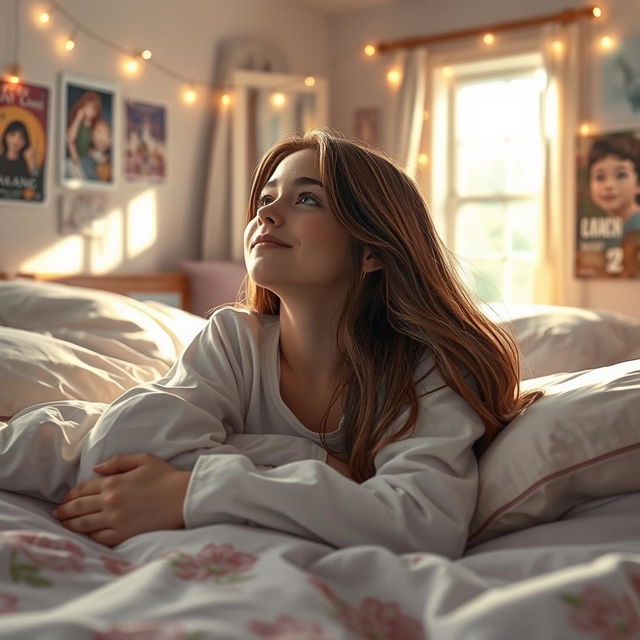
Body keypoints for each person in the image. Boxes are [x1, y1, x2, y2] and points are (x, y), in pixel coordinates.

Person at [37, 130, 540, 554]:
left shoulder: (426, 370)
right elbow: (122, 450)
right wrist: (313, 461)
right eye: (266, 198)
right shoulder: (234, 339)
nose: (268, 215)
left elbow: (422, 520)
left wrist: (200, 487)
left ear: (371, 252)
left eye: (306, 199)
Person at [588, 134, 640, 277]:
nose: (609, 185)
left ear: (638, 183)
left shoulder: (636, 226)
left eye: (621, 175)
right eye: (600, 177)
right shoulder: (611, 227)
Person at [66, 91, 102, 179]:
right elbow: (70, 139)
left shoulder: (93, 126)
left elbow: (92, 145)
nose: (90, 111)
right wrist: (78, 118)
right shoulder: (78, 123)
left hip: (86, 158)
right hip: (74, 159)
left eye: (93, 109)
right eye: (88, 107)